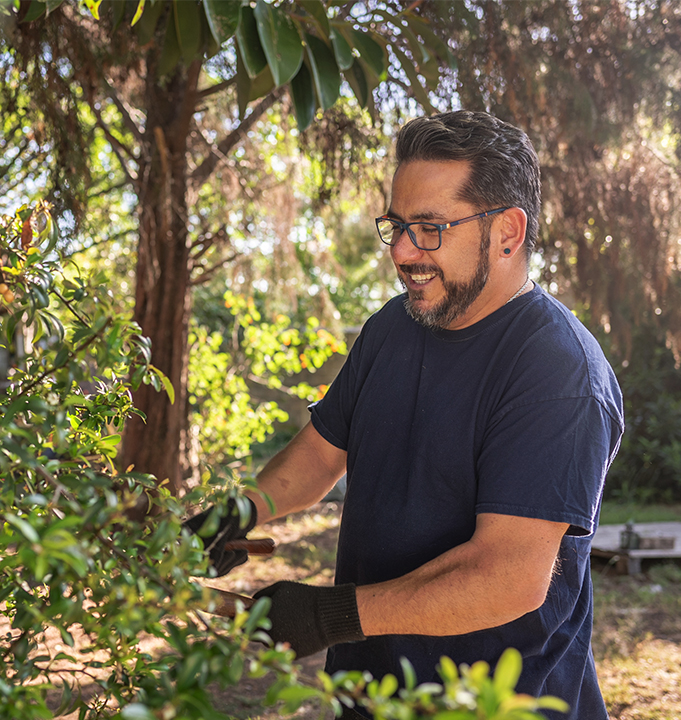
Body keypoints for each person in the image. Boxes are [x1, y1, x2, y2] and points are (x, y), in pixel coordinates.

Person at [185, 111, 623, 720]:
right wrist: (240, 512)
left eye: (430, 228)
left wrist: (326, 616)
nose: (401, 251)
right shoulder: (394, 327)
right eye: (395, 226)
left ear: (507, 232)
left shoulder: (558, 372)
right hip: (370, 698)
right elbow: (320, 451)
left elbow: (507, 577)